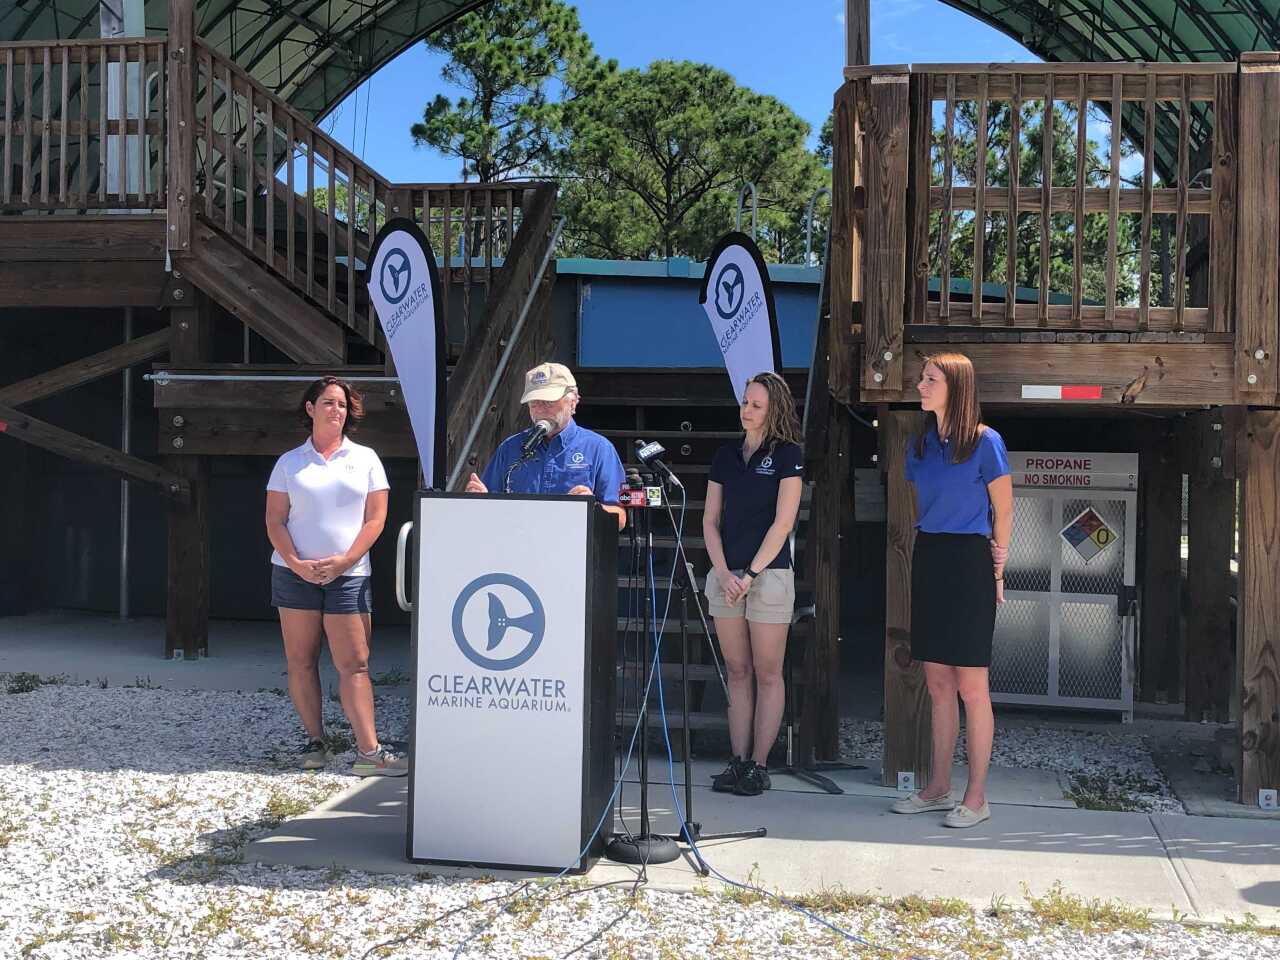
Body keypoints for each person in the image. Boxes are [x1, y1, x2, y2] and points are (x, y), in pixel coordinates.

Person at [890, 352, 1012, 828]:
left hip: (971, 561)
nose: (920, 385)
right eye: (922, 378)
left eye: (930, 379)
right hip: (932, 555)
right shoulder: (919, 445)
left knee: (971, 685)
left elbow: (1004, 510)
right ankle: (938, 787)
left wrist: (998, 564)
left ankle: (977, 797)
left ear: (955, 387)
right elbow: (924, 506)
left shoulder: (987, 443)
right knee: (937, 682)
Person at [265, 376, 406, 777]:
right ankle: (315, 742)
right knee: (301, 661)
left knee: (355, 663)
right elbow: (275, 521)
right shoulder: (289, 462)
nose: (336, 411)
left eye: (342, 405)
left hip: (349, 575)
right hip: (294, 574)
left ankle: (368, 751)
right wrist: (295, 563)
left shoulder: (366, 459)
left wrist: (345, 561)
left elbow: (376, 519)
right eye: (328, 403)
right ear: (310, 409)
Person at [702, 371, 804, 797]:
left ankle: (759, 766)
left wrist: (749, 575)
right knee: (737, 672)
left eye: (756, 404)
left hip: (768, 575)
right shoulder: (726, 455)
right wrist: (724, 572)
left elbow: (783, 524)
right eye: (745, 402)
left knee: (767, 673)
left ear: (773, 409)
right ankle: (737, 759)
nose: (747, 410)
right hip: (727, 576)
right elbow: (709, 520)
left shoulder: (787, 455)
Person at [464, 362, 627, 529]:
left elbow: (620, 519)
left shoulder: (598, 448)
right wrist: (479, 501)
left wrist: (593, 509)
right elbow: (488, 508)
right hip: (516, 547)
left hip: (573, 550)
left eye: (549, 402)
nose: (540, 410)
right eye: (534, 403)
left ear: (573, 402)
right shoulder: (511, 447)